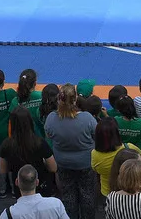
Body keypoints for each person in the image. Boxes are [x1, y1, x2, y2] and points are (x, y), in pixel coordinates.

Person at [44, 84, 97, 219]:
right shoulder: (87, 118)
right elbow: (96, 135)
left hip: (63, 163)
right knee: (88, 195)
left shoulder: (51, 118)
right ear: (76, 99)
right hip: (86, 163)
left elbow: (49, 136)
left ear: (59, 99)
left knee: (68, 195)